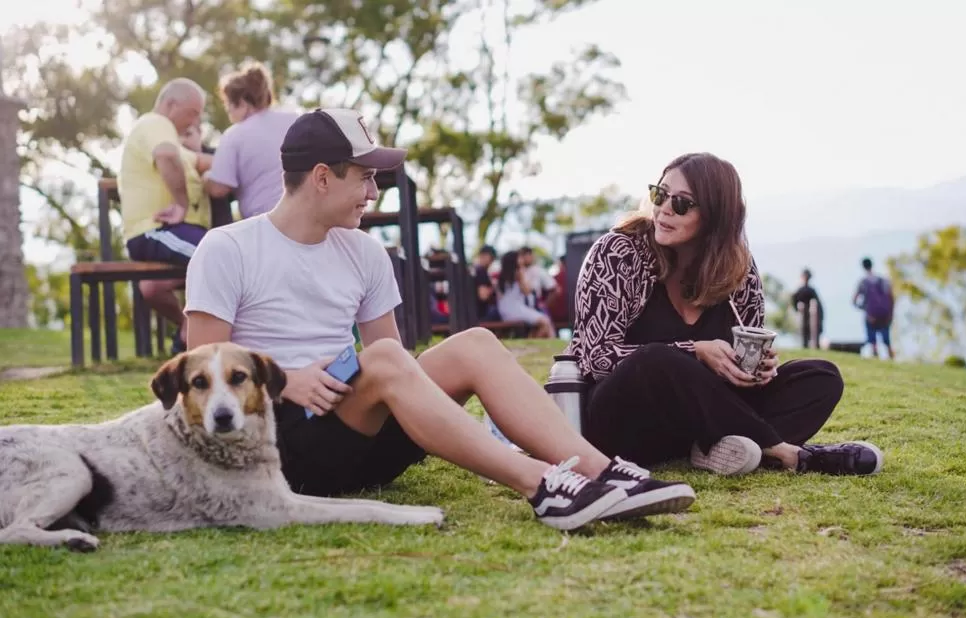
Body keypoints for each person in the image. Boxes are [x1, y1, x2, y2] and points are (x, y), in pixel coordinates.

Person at [183, 107, 697, 531]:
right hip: (280, 442)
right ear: (321, 177)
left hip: (356, 439)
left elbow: (397, 371)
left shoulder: (364, 252)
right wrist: (286, 379)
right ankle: (542, 486)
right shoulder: (228, 248)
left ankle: (601, 473)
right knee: (384, 358)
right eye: (364, 178)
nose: (373, 192)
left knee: (471, 343)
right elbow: (197, 369)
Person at [566, 152, 885, 478]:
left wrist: (758, 370)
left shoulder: (739, 270)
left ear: (716, 215)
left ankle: (717, 449)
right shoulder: (618, 253)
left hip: (702, 420)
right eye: (659, 194)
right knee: (656, 359)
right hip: (627, 422)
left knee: (821, 376)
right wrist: (696, 351)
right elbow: (594, 358)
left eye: (681, 203)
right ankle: (788, 453)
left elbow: (746, 353)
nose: (663, 208)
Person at [119, 78, 211, 354]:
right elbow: (167, 156)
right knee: (221, 256)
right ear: (171, 105)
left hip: (171, 234)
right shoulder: (155, 124)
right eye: (193, 112)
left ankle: (186, 333)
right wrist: (181, 203)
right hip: (155, 229)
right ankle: (216, 340)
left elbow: (208, 163)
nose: (196, 121)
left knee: (152, 286)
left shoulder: (176, 143)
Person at [204, 61, 300, 219]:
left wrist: (206, 177)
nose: (229, 114)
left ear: (241, 103)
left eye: (228, 107)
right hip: (311, 214)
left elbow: (219, 188)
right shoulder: (295, 119)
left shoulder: (234, 135)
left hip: (269, 220)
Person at [496, 251, 556, 338]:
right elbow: (527, 291)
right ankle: (537, 343)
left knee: (543, 323)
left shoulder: (502, 276)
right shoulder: (518, 274)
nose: (522, 259)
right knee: (545, 322)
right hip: (516, 310)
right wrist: (522, 271)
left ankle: (535, 340)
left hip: (505, 311)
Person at [853, 257, 895, 360]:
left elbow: (854, 300)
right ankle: (892, 359)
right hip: (884, 315)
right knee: (887, 341)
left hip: (871, 316)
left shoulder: (863, 282)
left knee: (873, 342)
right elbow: (891, 297)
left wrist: (864, 308)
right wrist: (890, 313)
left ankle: (876, 358)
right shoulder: (883, 280)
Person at [791, 268, 824, 349]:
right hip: (803, 313)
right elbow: (794, 299)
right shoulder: (801, 290)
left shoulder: (811, 290)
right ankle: (805, 346)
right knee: (803, 331)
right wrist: (797, 309)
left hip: (811, 314)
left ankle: (814, 345)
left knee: (811, 331)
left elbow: (818, 304)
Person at [472, 244, 501, 323]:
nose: (492, 261)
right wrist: (494, 288)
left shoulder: (473, 270)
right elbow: (483, 295)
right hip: (481, 314)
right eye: (491, 258)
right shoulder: (481, 271)